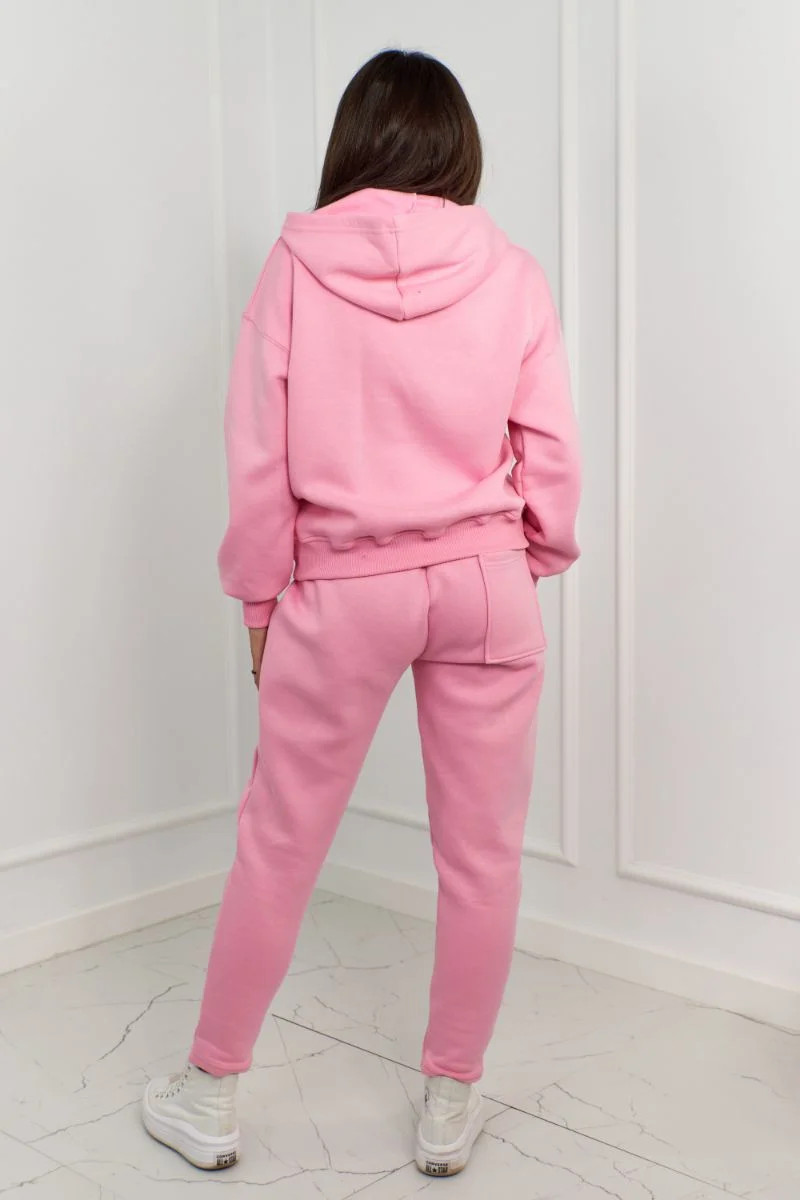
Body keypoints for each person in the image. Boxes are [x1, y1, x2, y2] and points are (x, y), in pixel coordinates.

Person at [141, 47, 580, 1179]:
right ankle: (450, 1102)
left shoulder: (295, 267)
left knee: (280, 842)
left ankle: (209, 1093)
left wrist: (259, 598)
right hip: (484, 583)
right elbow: (548, 446)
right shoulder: (511, 271)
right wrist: (528, 553)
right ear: (456, 147)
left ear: (354, 141)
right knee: (481, 857)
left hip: (342, 591)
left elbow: (259, 455)